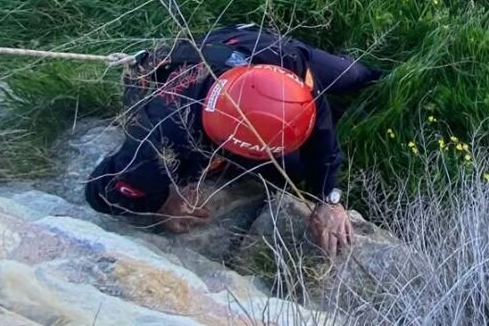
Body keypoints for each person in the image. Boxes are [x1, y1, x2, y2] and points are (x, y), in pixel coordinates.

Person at [86, 24, 381, 257]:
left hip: (236, 45)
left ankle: (380, 77)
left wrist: (329, 198)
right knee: (294, 169)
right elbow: (99, 193)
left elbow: (319, 121)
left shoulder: (281, 67)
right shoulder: (160, 143)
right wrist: (159, 203)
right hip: (177, 81)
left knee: (354, 75)